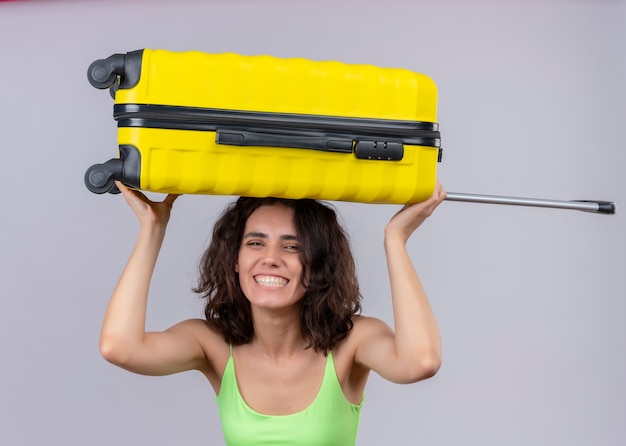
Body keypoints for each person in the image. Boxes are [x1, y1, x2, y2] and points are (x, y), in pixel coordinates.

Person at [99, 180, 447, 446]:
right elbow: (119, 347)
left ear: (317, 263)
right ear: (235, 260)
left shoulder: (353, 341)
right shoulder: (212, 344)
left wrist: (395, 238)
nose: (271, 258)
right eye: (255, 242)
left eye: (292, 246)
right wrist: (152, 228)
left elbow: (421, 362)